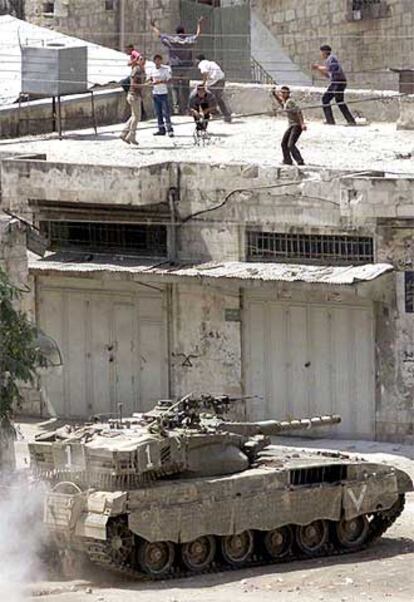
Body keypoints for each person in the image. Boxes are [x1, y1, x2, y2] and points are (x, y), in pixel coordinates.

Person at [151, 17, 204, 115]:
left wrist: (153, 26)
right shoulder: (188, 40)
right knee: (185, 88)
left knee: (175, 88)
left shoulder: (172, 40)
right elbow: (197, 35)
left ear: (176, 32)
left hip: (175, 67)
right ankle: (187, 109)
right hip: (186, 68)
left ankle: (176, 108)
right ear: (184, 32)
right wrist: (199, 24)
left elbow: (159, 36)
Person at [312, 44, 356, 125]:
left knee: (335, 100)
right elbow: (329, 75)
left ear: (324, 52)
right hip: (335, 82)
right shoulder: (328, 60)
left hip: (339, 82)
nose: (321, 54)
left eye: (321, 52)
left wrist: (319, 67)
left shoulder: (331, 58)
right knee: (329, 100)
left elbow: (332, 68)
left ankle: (349, 121)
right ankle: (334, 120)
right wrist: (320, 70)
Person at [272, 86, 306, 166]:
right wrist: (275, 95)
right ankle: (287, 160)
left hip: (296, 125)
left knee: (290, 144)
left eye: (284, 93)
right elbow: (282, 103)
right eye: (282, 93)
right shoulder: (286, 102)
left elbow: (298, 111)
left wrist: (302, 124)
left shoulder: (290, 102)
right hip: (291, 126)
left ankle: (300, 161)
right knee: (284, 143)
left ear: (288, 93)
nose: (283, 94)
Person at [195, 54, 232, 123]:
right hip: (221, 79)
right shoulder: (211, 63)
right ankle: (226, 115)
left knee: (208, 97)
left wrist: (203, 83)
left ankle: (214, 113)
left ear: (198, 60)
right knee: (218, 98)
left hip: (214, 82)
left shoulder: (202, 64)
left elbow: (205, 73)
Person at [120, 55, 146, 145]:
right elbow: (134, 84)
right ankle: (131, 135)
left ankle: (124, 133)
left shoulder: (142, 70)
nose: (143, 61)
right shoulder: (137, 70)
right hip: (134, 95)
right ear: (138, 60)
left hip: (136, 95)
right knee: (136, 117)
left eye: (144, 59)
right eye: (141, 59)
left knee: (134, 116)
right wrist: (144, 86)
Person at [149, 54, 174, 137]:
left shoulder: (165, 70)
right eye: (156, 60)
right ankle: (161, 129)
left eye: (159, 60)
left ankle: (170, 129)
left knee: (166, 112)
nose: (157, 62)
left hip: (163, 93)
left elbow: (169, 80)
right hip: (155, 93)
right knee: (158, 113)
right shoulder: (152, 70)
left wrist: (160, 82)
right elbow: (150, 79)